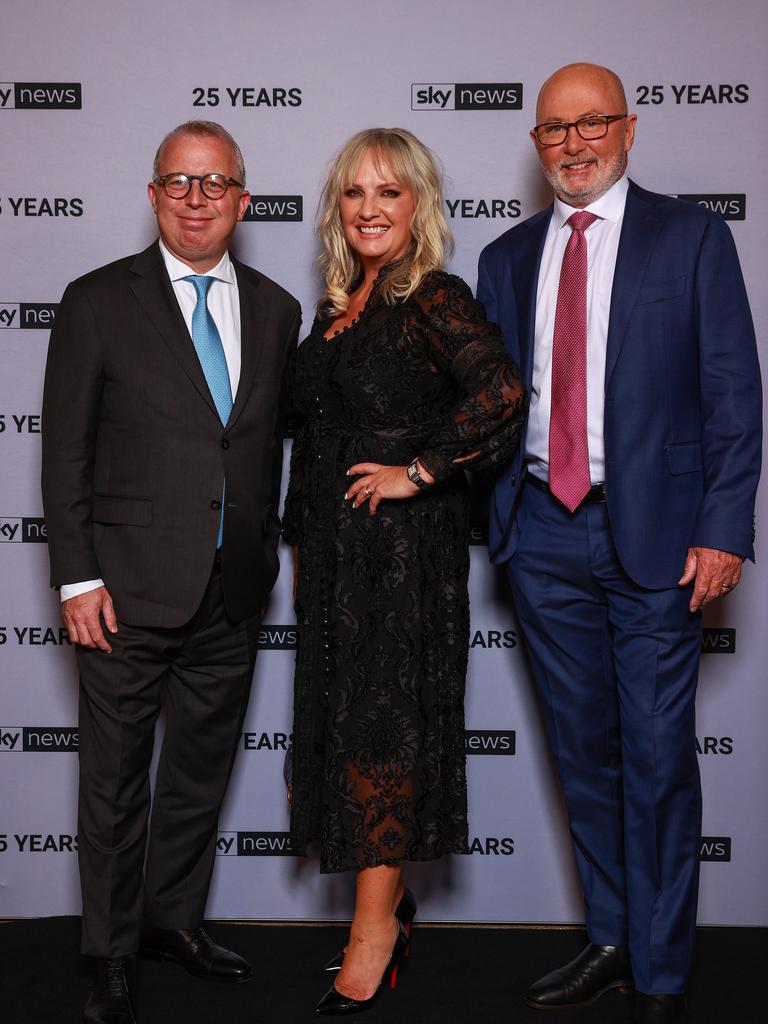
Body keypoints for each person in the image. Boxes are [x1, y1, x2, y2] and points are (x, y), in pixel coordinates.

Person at [477, 63, 761, 1024]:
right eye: (554, 129)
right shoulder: (507, 258)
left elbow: (734, 395)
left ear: (629, 128)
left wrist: (724, 528)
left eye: (591, 122)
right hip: (543, 533)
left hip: (657, 540)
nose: (573, 142)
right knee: (583, 752)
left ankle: (663, 971)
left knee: (655, 755)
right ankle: (610, 937)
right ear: (536, 144)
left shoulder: (692, 237)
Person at [41, 120, 301, 1024]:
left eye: (215, 183)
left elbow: (260, 448)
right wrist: (76, 579)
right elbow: (63, 452)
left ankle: (175, 921)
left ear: (243, 198)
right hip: (122, 590)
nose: (197, 199)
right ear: (154, 196)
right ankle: (110, 952)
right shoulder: (97, 301)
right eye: (179, 183)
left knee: (199, 773)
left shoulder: (276, 310)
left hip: (230, 591)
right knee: (114, 782)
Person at [282, 127, 526, 1016]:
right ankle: (390, 909)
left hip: (399, 564)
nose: (370, 208)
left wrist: (418, 472)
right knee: (346, 739)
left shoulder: (433, 296)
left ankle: (374, 934)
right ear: (336, 210)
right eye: (354, 193)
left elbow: (502, 394)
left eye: (389, 192)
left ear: (417, 203)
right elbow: (311, 440)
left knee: (382, 741)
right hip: (336, 568)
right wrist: (303, 542)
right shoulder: (338, 304)